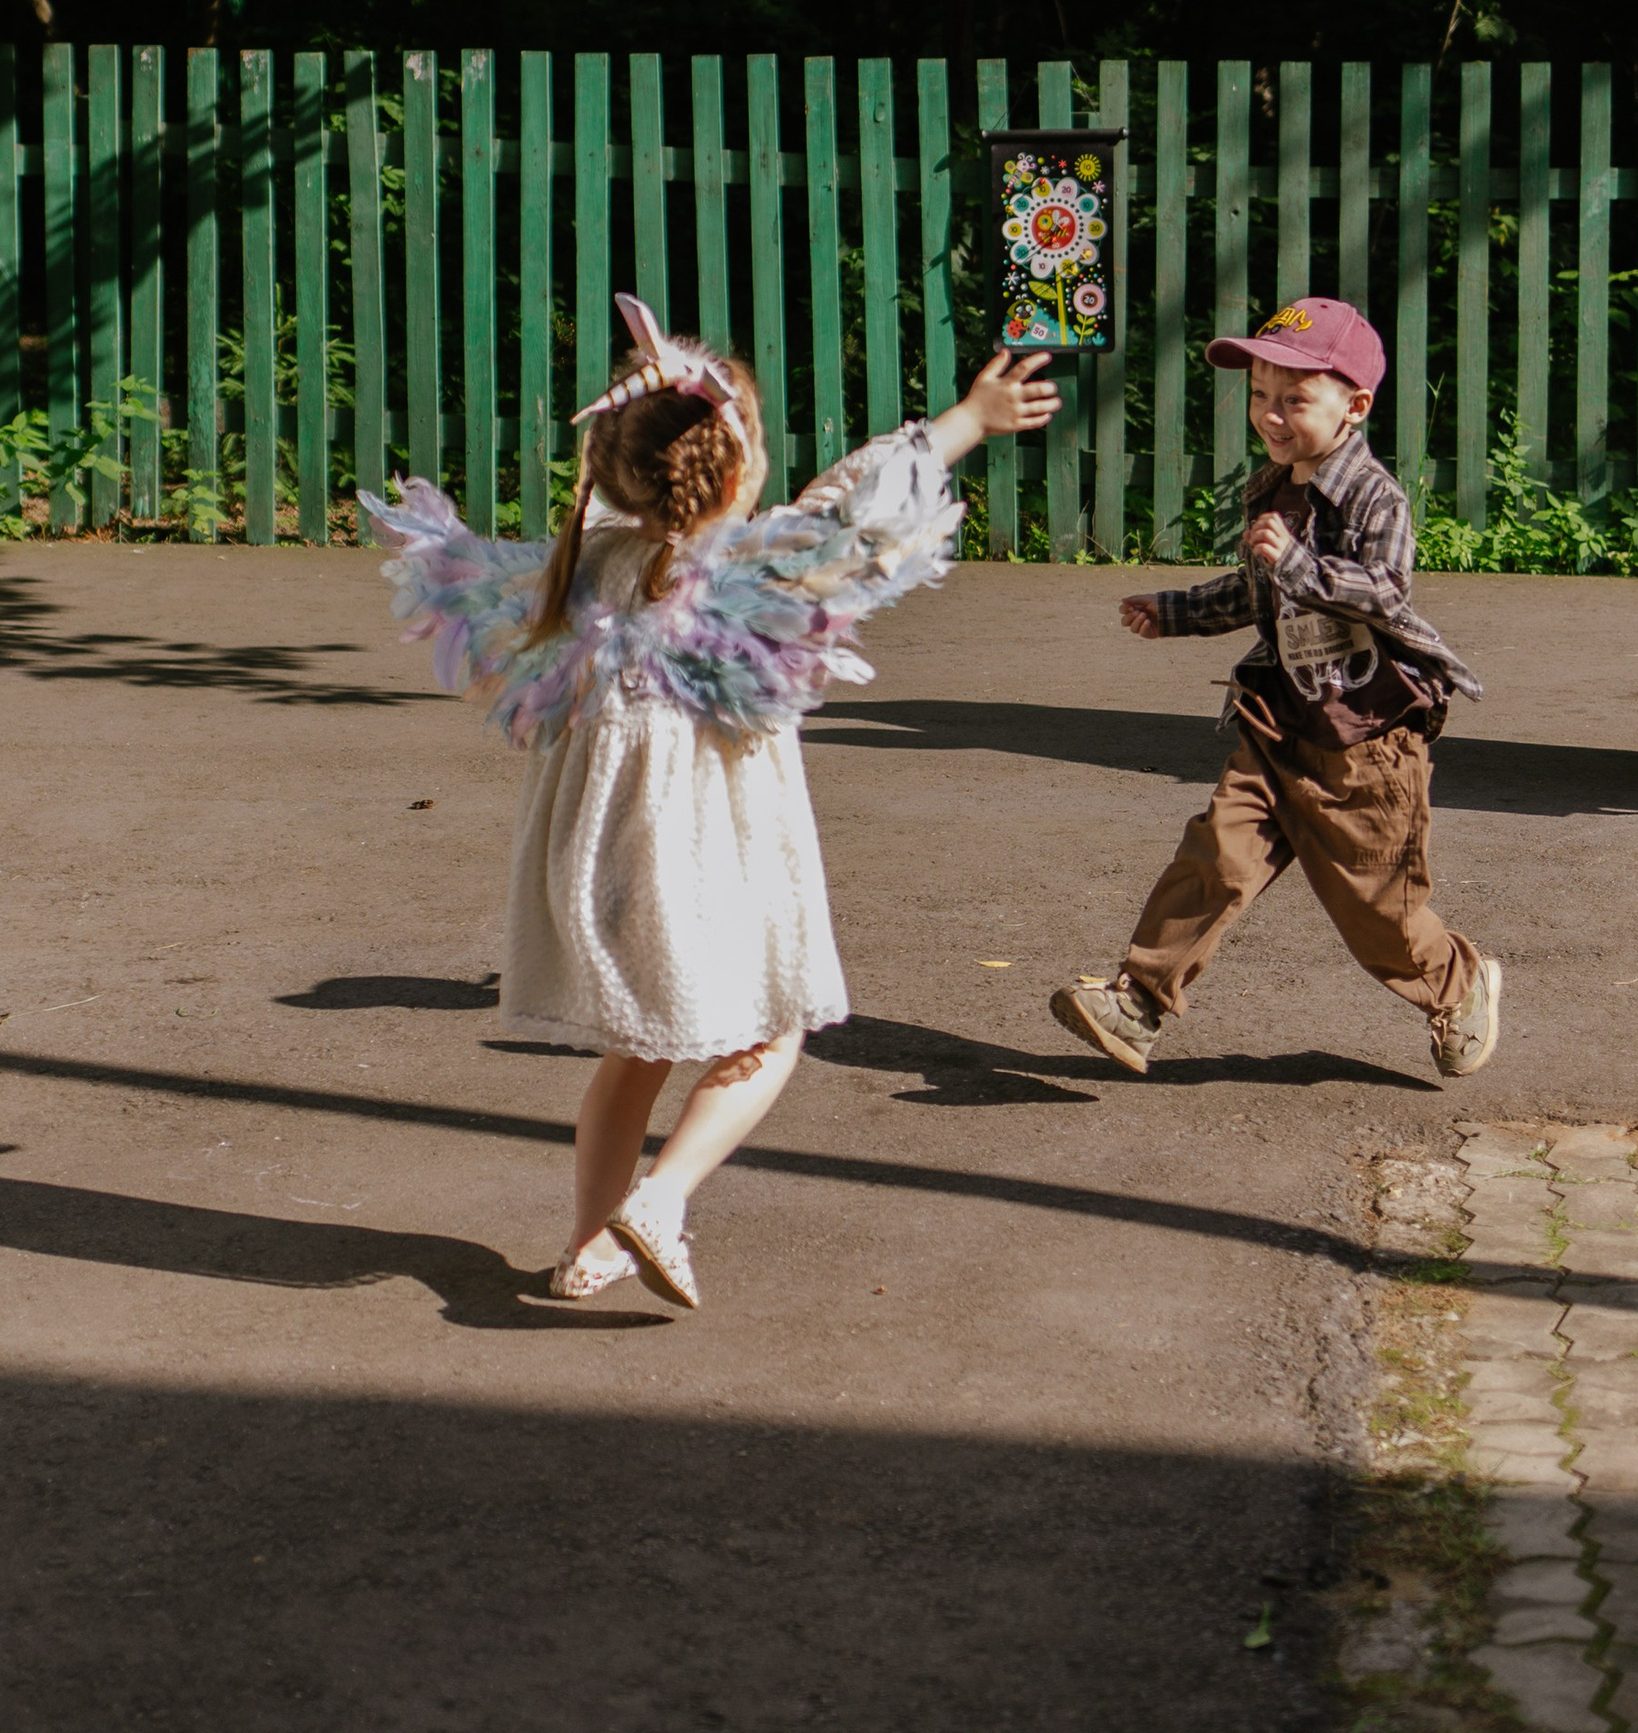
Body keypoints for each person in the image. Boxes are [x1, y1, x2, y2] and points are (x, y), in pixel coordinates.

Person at [365, 295, 1058, 1307]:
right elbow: (852, 512)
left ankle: (585, 1246)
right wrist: (964, 422)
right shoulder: (746, 575)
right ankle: (662, 1197)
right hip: (702, 859)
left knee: (634, 1054)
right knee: (771, 1028)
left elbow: (759, 504)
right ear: (736, 470)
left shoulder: (580, 572)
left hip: (599, 863)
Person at [1047, 296, 1501, 1081]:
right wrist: (1179, 611)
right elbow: (1259, 594)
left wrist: (1296, 563)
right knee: (1217, 857)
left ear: (1354, 406)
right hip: (1280, 719)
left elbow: (1386, 592)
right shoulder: (1270, 491)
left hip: (1366, 737)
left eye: (1295, 398)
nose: (1272, 414)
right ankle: (1140, 1000)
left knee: (1376, 916)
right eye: (1261, 395)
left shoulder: (1373, 497)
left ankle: (1461, 985)